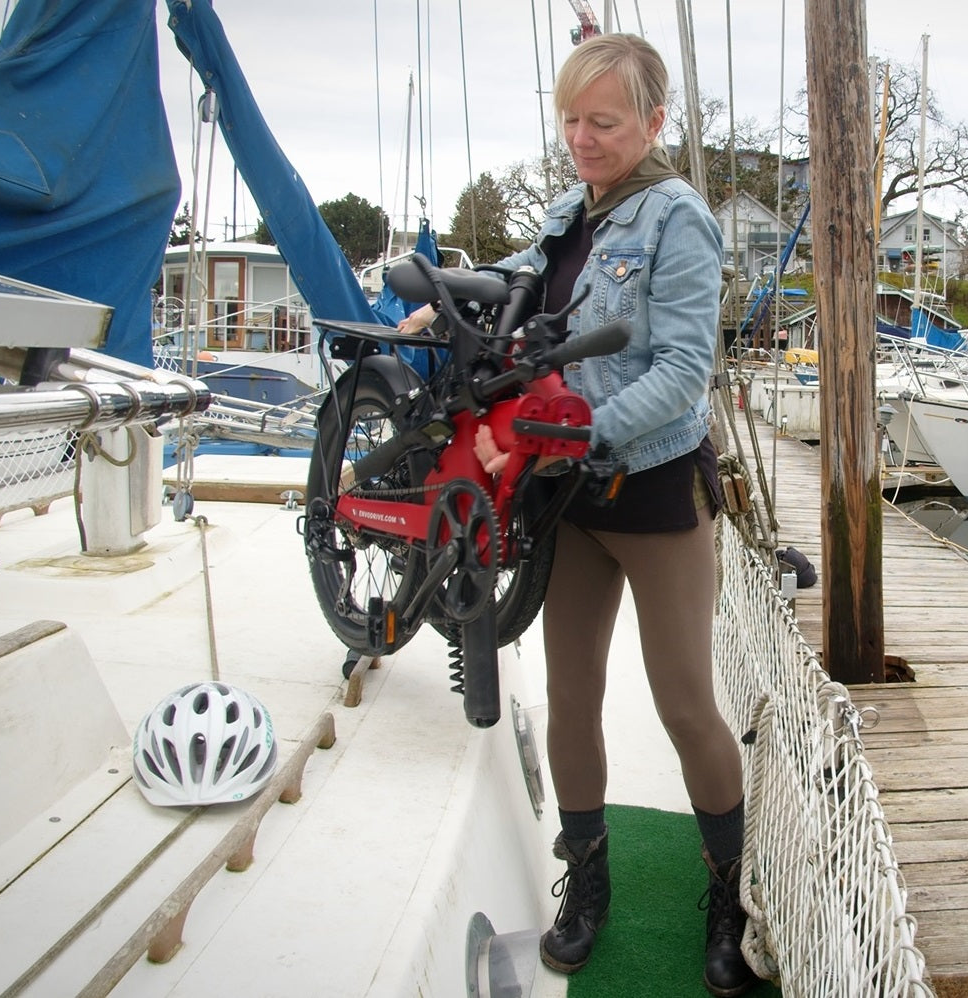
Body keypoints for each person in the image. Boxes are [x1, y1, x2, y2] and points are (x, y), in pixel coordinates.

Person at [400, 33, 754, 997]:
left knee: (684, 705)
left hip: (651, 489)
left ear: (653, 121)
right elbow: (512, 278)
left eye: (603, 121)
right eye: (569, 120)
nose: (582, 139)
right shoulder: (571, 213)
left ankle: (729, 898)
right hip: (568, 496)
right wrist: (438, 303)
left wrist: (578, 431)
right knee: (571, 695)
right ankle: (587, 883)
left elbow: (682, 373)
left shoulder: (678, 219)